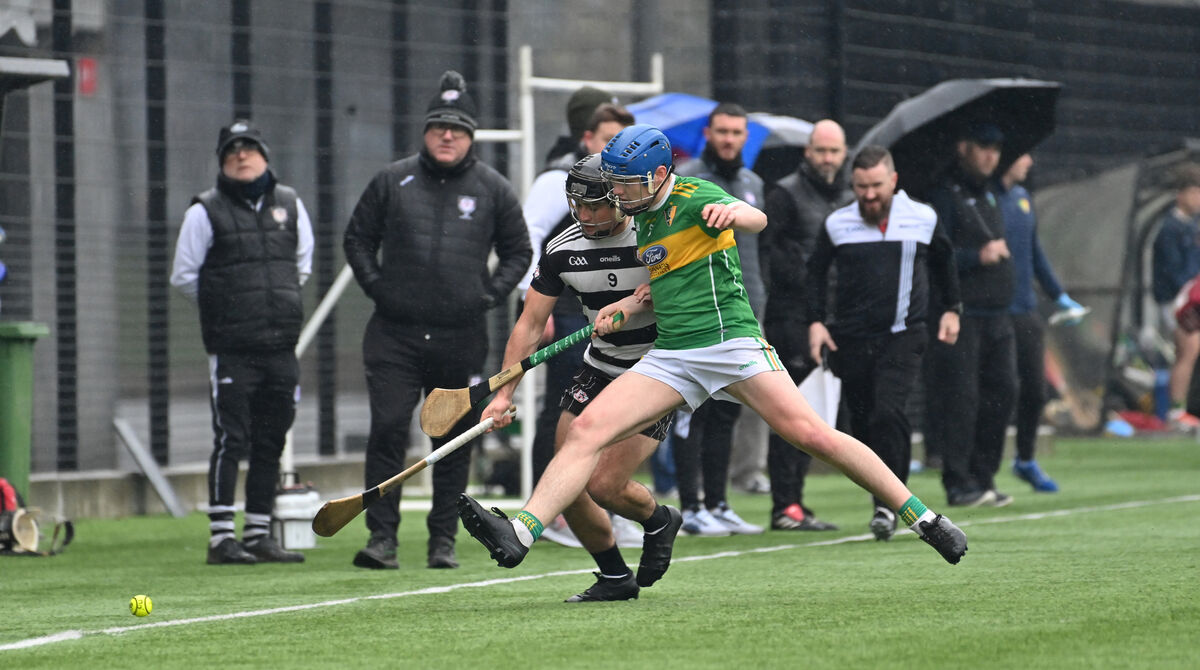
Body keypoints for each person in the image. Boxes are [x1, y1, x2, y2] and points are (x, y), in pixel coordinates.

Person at [457, 124, 969, 585]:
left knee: (813, 435)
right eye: (613, 186)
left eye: (625, 186)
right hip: (672, 354)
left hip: (731, 345)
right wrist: (630, 304)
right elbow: (666, 277)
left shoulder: (694, 196)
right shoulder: (639, 216)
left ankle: (924, 518)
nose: (617, 196)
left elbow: (759, 218)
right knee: (586, 432)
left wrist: (734, 213)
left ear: (659, 175)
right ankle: (520, 532)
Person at [342, 70, 531, 570]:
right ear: (425, 132)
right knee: (386, 429)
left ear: (471, 137)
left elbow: (519, 251)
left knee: (452, 440)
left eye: (459, 128)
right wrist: (378, 288)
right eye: (439, 126)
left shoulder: (493, 188)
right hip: (393, 336)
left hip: (460, 338)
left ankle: (442, 542)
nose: (448, 135)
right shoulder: (391, 179)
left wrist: (488, 296)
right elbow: (356, 239)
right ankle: (381, 540)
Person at [480, 154, 668, 601]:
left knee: (604, 484)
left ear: (619, 199)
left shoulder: (657, 237)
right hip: (600, 365)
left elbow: (696, 288)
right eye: (577, 206)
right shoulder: (563, 249)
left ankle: (659, 519)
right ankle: (614, 576)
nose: (584, 216)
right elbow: (528, 326)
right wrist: (503, 393)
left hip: (659, 371)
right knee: (565, 472)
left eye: (595, 206)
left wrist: (648, 297)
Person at [170, 120, 313, 565]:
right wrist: (227, 308)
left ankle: (257, 533)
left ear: (265, 156)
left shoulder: (290, 203)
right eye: (232, 150)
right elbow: (185, 276)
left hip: (280, 346)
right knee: (232, 438)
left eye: (250, 147)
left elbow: (300, 267)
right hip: (232, 348)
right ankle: (220, 538)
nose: (242, 155)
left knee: (272, 438)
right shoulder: (203, 211)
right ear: (222, 161)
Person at [806, 145, 962, 541]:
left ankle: (890, 506)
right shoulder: (837, 224)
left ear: (893, 181)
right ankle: (881, 498)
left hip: (904, 336)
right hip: (851, 341)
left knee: (887, 413)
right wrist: (816, 322)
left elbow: (945, 263)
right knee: (860, 425)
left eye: (876, 186)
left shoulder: (923, 218)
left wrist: (952, 309)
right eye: (861, 187)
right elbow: (815, 274)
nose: (869, 195)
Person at [515, 99, 634, 518]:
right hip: (570, 309)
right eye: (607, 141)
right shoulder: (555, 181)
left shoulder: (639, 202)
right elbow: (529, 238)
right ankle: (550, 507)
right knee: (564, 411)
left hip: (640, 337)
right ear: (587, 138)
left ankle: (603, 507)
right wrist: (532, 308)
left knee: (612, 421)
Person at [671, 103, 765, 536]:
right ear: (709, 133)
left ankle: (719, 502)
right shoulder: (687, 179)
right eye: (722, 131)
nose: (729, 139)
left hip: (742, 310)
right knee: (691, 411)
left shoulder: (751, 183)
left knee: (727, 411)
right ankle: (690, 506)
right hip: (696, 313)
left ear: (745, 137)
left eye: (737, 132)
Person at [759, 118, 853, 531]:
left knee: (815, 414)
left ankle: (795, 502)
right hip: (792, 318)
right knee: (792, 414)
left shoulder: (850, 197)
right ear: (808, 152)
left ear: (843, 153)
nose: (828, 158)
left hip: (834, 317)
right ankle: (786, 505)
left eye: (834, 151)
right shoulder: (784, 194)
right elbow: (773, 258)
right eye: (821, 150)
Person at [925, 122, 1016, 508]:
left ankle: (984, 475)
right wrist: (976, 257)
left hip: (998, 313)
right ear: (964, 146)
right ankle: (959, 481)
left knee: (1003, 392)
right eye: (983, 146)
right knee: (961, 399)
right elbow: (935, 256)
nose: (991, 155)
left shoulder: (991, 194)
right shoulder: (943, 195)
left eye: (996, 148)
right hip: (963, 314)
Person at [996, 153, 1086, 492]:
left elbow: (1034, 253)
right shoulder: (986, 199)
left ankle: (1025, 459)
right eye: (1023, 155)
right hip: (993, 312)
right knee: (999, 391)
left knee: (1035, 389)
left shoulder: (1022, 198)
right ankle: (974, 470)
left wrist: (1058, 294)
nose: (1030, 161)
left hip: (1025, 308)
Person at [1150, 162, 1200, 428]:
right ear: (1182, 194)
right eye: (1196, 192)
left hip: (1192, 299)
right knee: (1188, 349)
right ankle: (1175, 411)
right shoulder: (1169, 229)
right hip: (1176, 302)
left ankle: (1181, 408)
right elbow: (1174, 274)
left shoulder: (1193, 227)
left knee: (1190, 350)